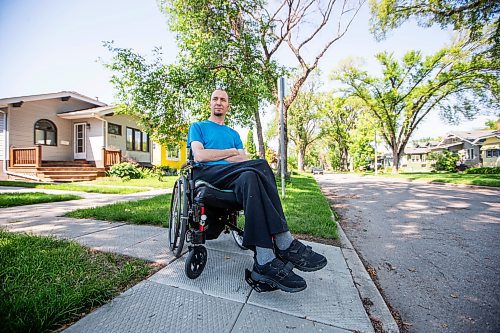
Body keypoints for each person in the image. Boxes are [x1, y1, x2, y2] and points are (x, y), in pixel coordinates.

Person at [187, 89, 327, 293]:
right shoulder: (198, 127)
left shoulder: (233, 134)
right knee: (260, 165)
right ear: (210, 103)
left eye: (223, 99)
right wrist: (230, 153)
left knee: (251, 175)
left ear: (228, 105)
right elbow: (200, 156)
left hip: (234, 177)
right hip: (207, 176)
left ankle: (264, 260)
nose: (218, 102)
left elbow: (243, 161)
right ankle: (284, 241)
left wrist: (221, 155)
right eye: (215, 99)